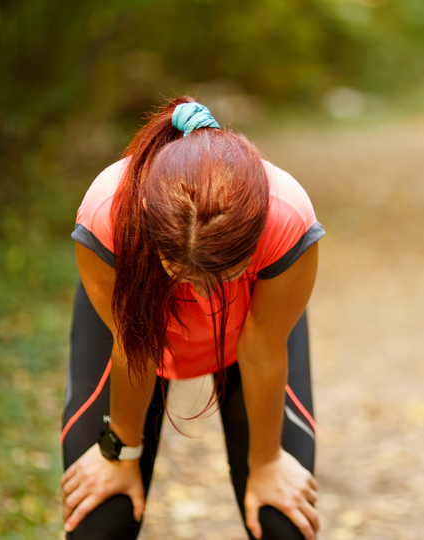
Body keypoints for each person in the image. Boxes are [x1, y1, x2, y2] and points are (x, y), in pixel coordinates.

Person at [59, 97, 324, 540]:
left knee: (283, 523)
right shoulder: (109, 212)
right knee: (100, 520)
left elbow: (260, 353)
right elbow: (134, 345)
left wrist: (266, 464)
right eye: (181, 272)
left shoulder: (286, 215)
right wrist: (121, 452)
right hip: (133, 339)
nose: (201, 294)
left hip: (252, 341)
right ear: (149, 229)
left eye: (223, 275)